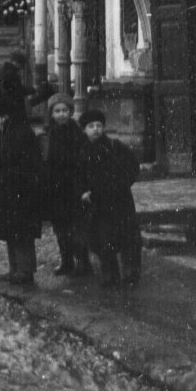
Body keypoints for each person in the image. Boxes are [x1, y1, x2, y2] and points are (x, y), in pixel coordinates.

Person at [81, 109, 144, 288]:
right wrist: (83, 191)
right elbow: (78, 174)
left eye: (99, 126)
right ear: (84, 130)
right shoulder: (83, 150)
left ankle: (131, 274)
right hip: (98, 204)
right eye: (91, 126)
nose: (96, 129)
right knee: (103, 239)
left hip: (120, 201)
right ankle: (110, 275)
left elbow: (132, 167)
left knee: (128, 238)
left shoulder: (115, 146)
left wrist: (122, 184)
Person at [0, 101, 46, 288]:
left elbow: (19, 163)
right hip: (11, 189)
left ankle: (25, 271)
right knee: (12, 230)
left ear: (5, 117)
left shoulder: (19, 134)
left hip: (21, 190)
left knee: (21, 231)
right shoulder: (10, 132)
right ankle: (16, 269)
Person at [41, 95, 93, 278]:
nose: (61, 114)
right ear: (52, 113)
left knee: (76, 227)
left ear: (71, 112)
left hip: (72, 188)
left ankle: (83, 262)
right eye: (57, 111)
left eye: (64, 110)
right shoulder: (50, 133)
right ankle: (66, 261)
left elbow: (81, 163)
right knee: (60, 228)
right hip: (56, 189)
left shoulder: (77, 134)